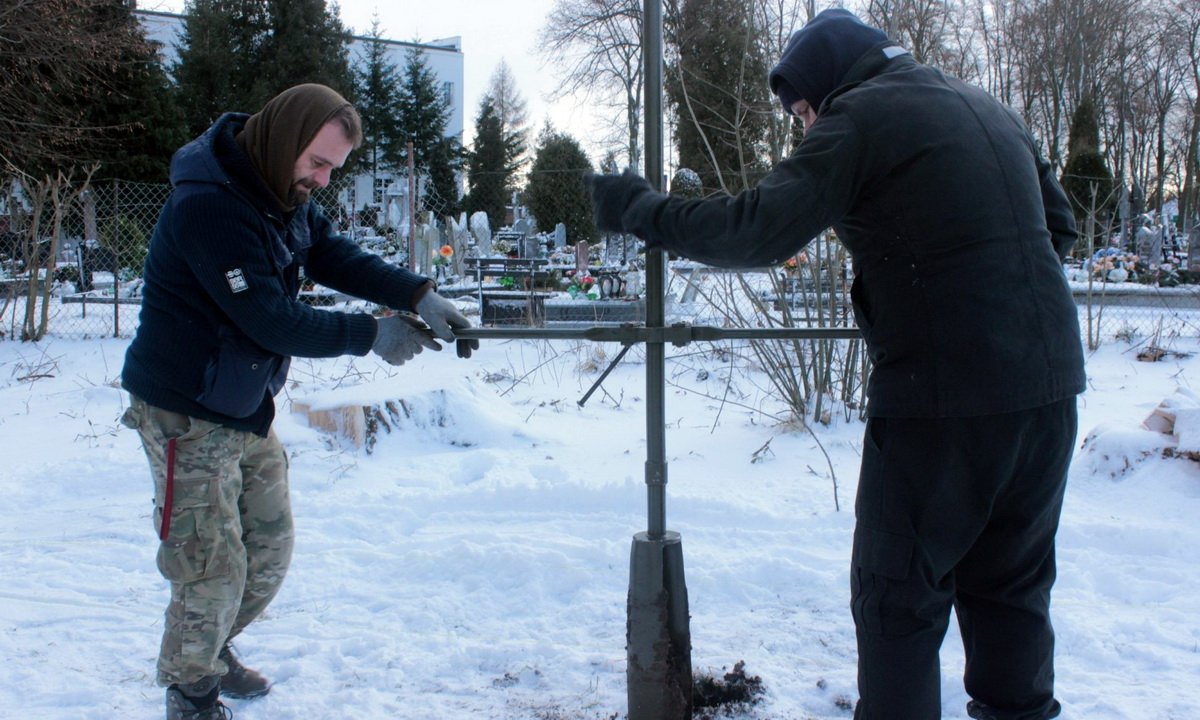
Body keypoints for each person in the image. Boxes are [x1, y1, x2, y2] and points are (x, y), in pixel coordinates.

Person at [586, 9, 1084, 720]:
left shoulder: (862, 115)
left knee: (897, 599)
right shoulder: (987, 107)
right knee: (1011, 588)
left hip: (939, 400)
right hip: (1048, 389)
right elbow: (1058, 226)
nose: (805, 128)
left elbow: (757, 229)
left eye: (802, 112)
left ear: (828, 84)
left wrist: (641, 209)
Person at [120, 83, 479, 720]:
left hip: (240, 402)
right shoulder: (209, 206)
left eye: (332, 169)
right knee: (209, 562)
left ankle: (211, 647)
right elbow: (270, 319)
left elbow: (332, 254)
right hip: (185, 409)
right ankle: (191, 692)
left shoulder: (278, 191)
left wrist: (417, 294)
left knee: (269, 545)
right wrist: (371, 335)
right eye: (316, 162)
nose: (321, 180)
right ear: (284, 139)